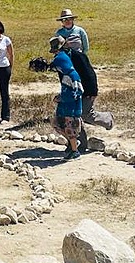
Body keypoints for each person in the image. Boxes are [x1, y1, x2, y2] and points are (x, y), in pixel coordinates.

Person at [55, 8, 114, 138]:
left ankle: (107, 119)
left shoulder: (79, 57)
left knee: (86, 114)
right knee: (72, 114)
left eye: (69, 19)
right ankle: (80, 142)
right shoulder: (62, 61)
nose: (67, 21)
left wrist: (91, 92)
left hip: (86, 87)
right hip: (74, 88)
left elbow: (89, 75)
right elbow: (64, 79)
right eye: (65, 20)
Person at [48, 35, 83, 160]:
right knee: (57, 123)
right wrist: (61, 97)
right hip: (66, 103)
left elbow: (75, 93)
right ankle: (72, 144)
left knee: (69, 126)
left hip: (71, 106)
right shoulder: (66, 75)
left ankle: (75, 150)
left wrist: (63, 98)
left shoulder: (72, 77)